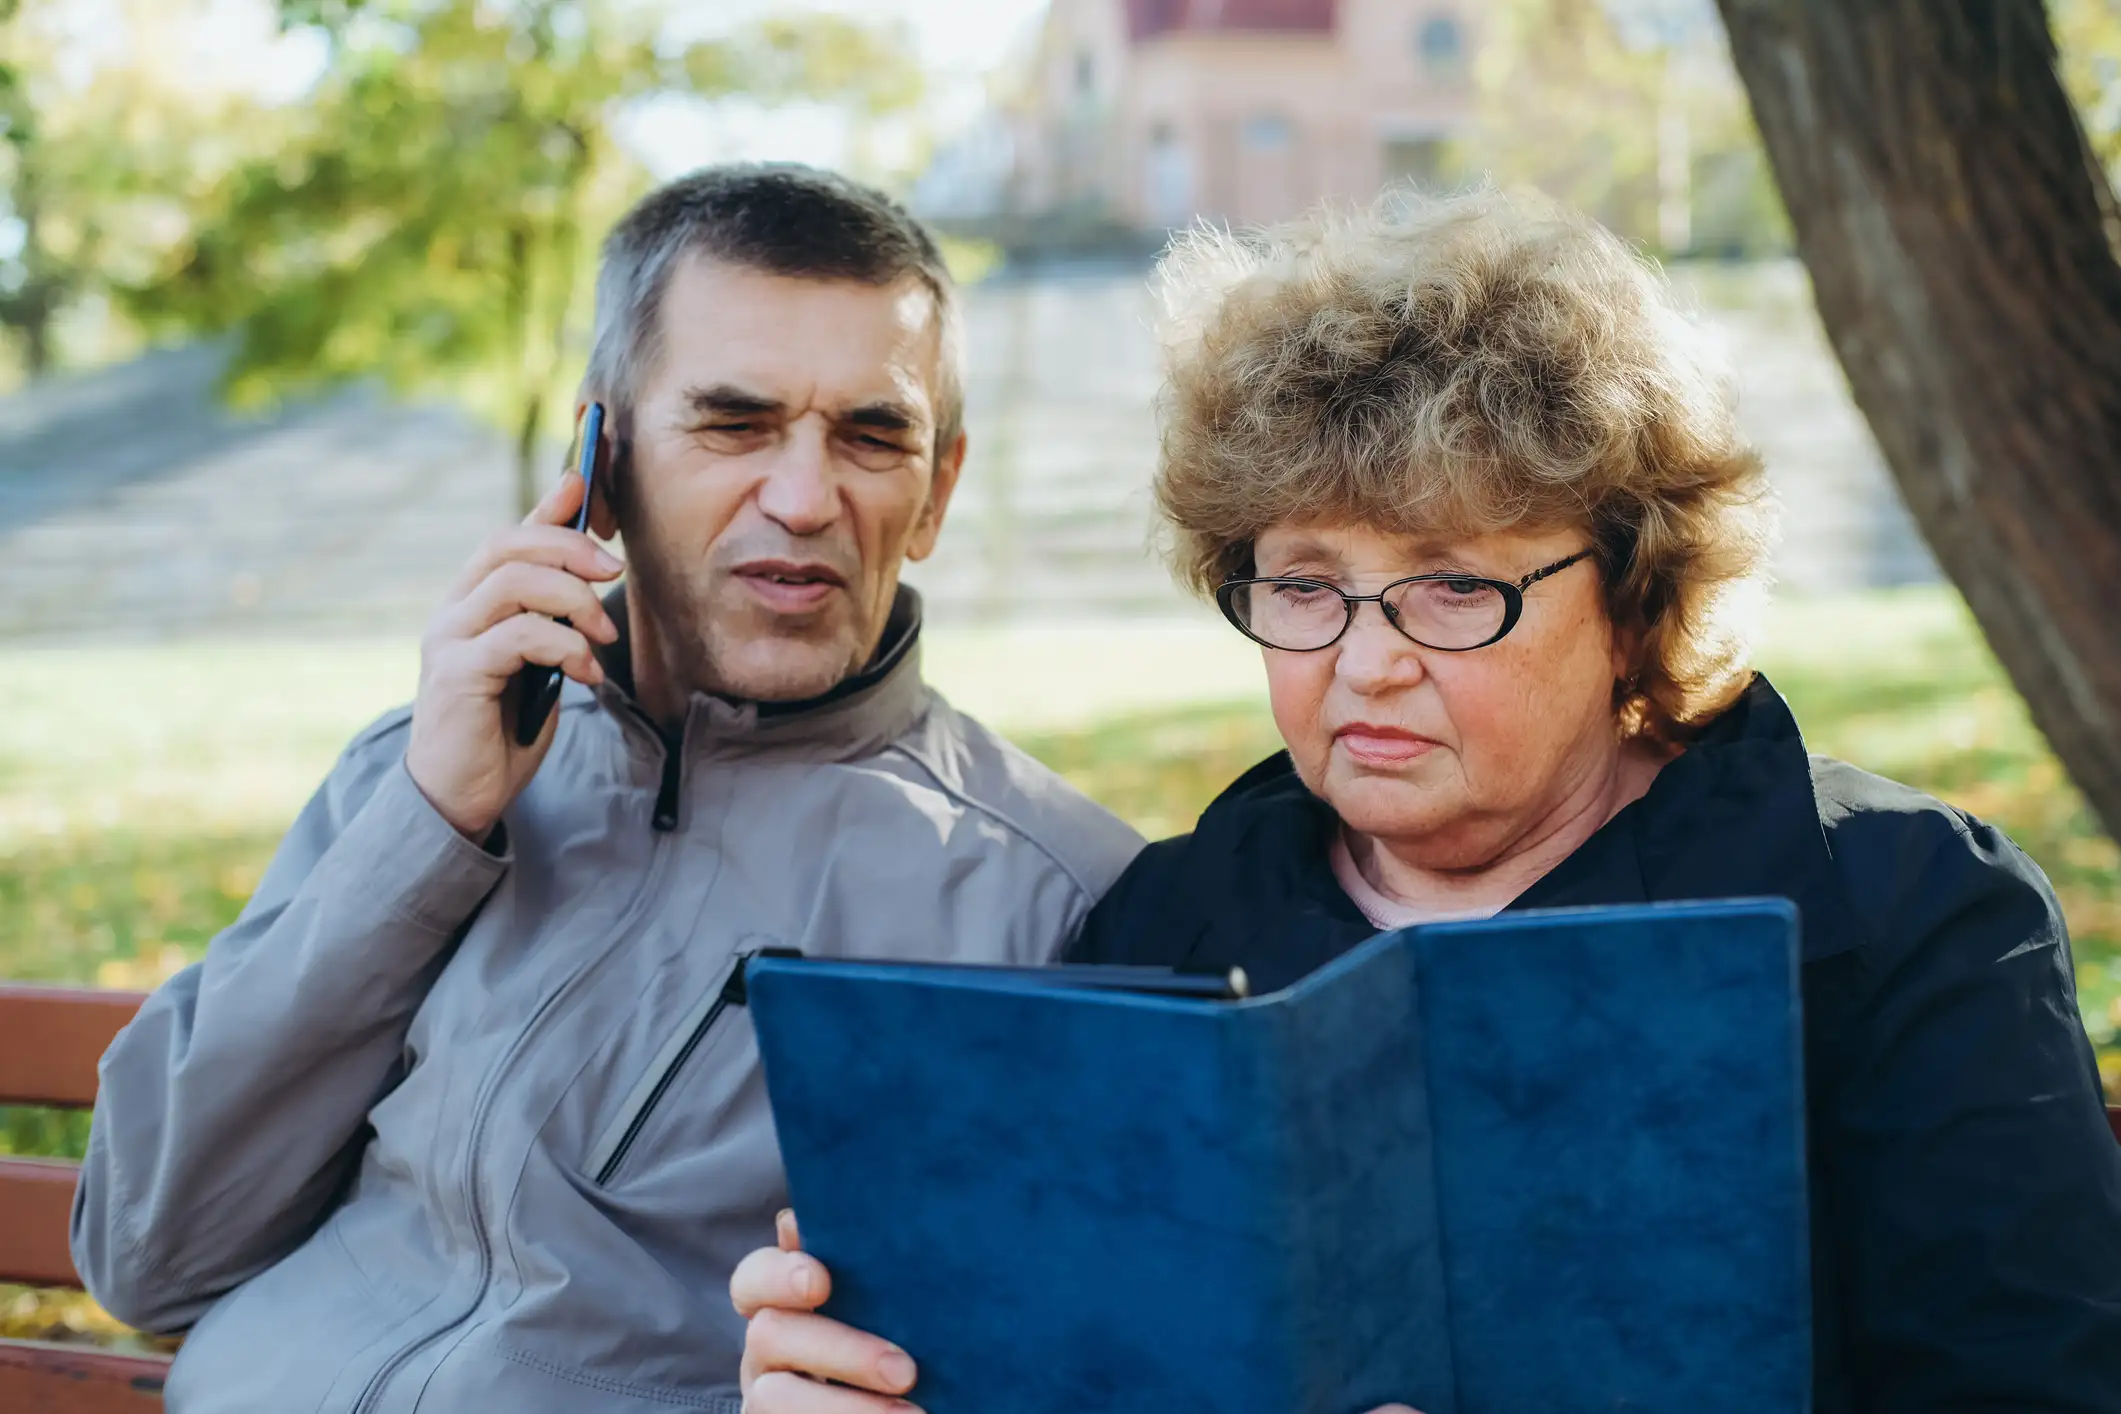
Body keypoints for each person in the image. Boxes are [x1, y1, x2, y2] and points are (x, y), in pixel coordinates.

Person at [730, 190, 2121, 1414]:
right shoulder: (1163, 921)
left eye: (1456, 582)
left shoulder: (1904, 910)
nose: (1366, 659)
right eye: (1305, 582)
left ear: (1634, 597)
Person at [69, 163, 1143, 1413]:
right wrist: (428, 830)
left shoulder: (1055, 905)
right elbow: (146, 1253)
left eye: (871, 434)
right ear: (603, 460)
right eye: (735, 423)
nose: (803, 499)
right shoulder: (415, 771)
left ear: (937, 493)